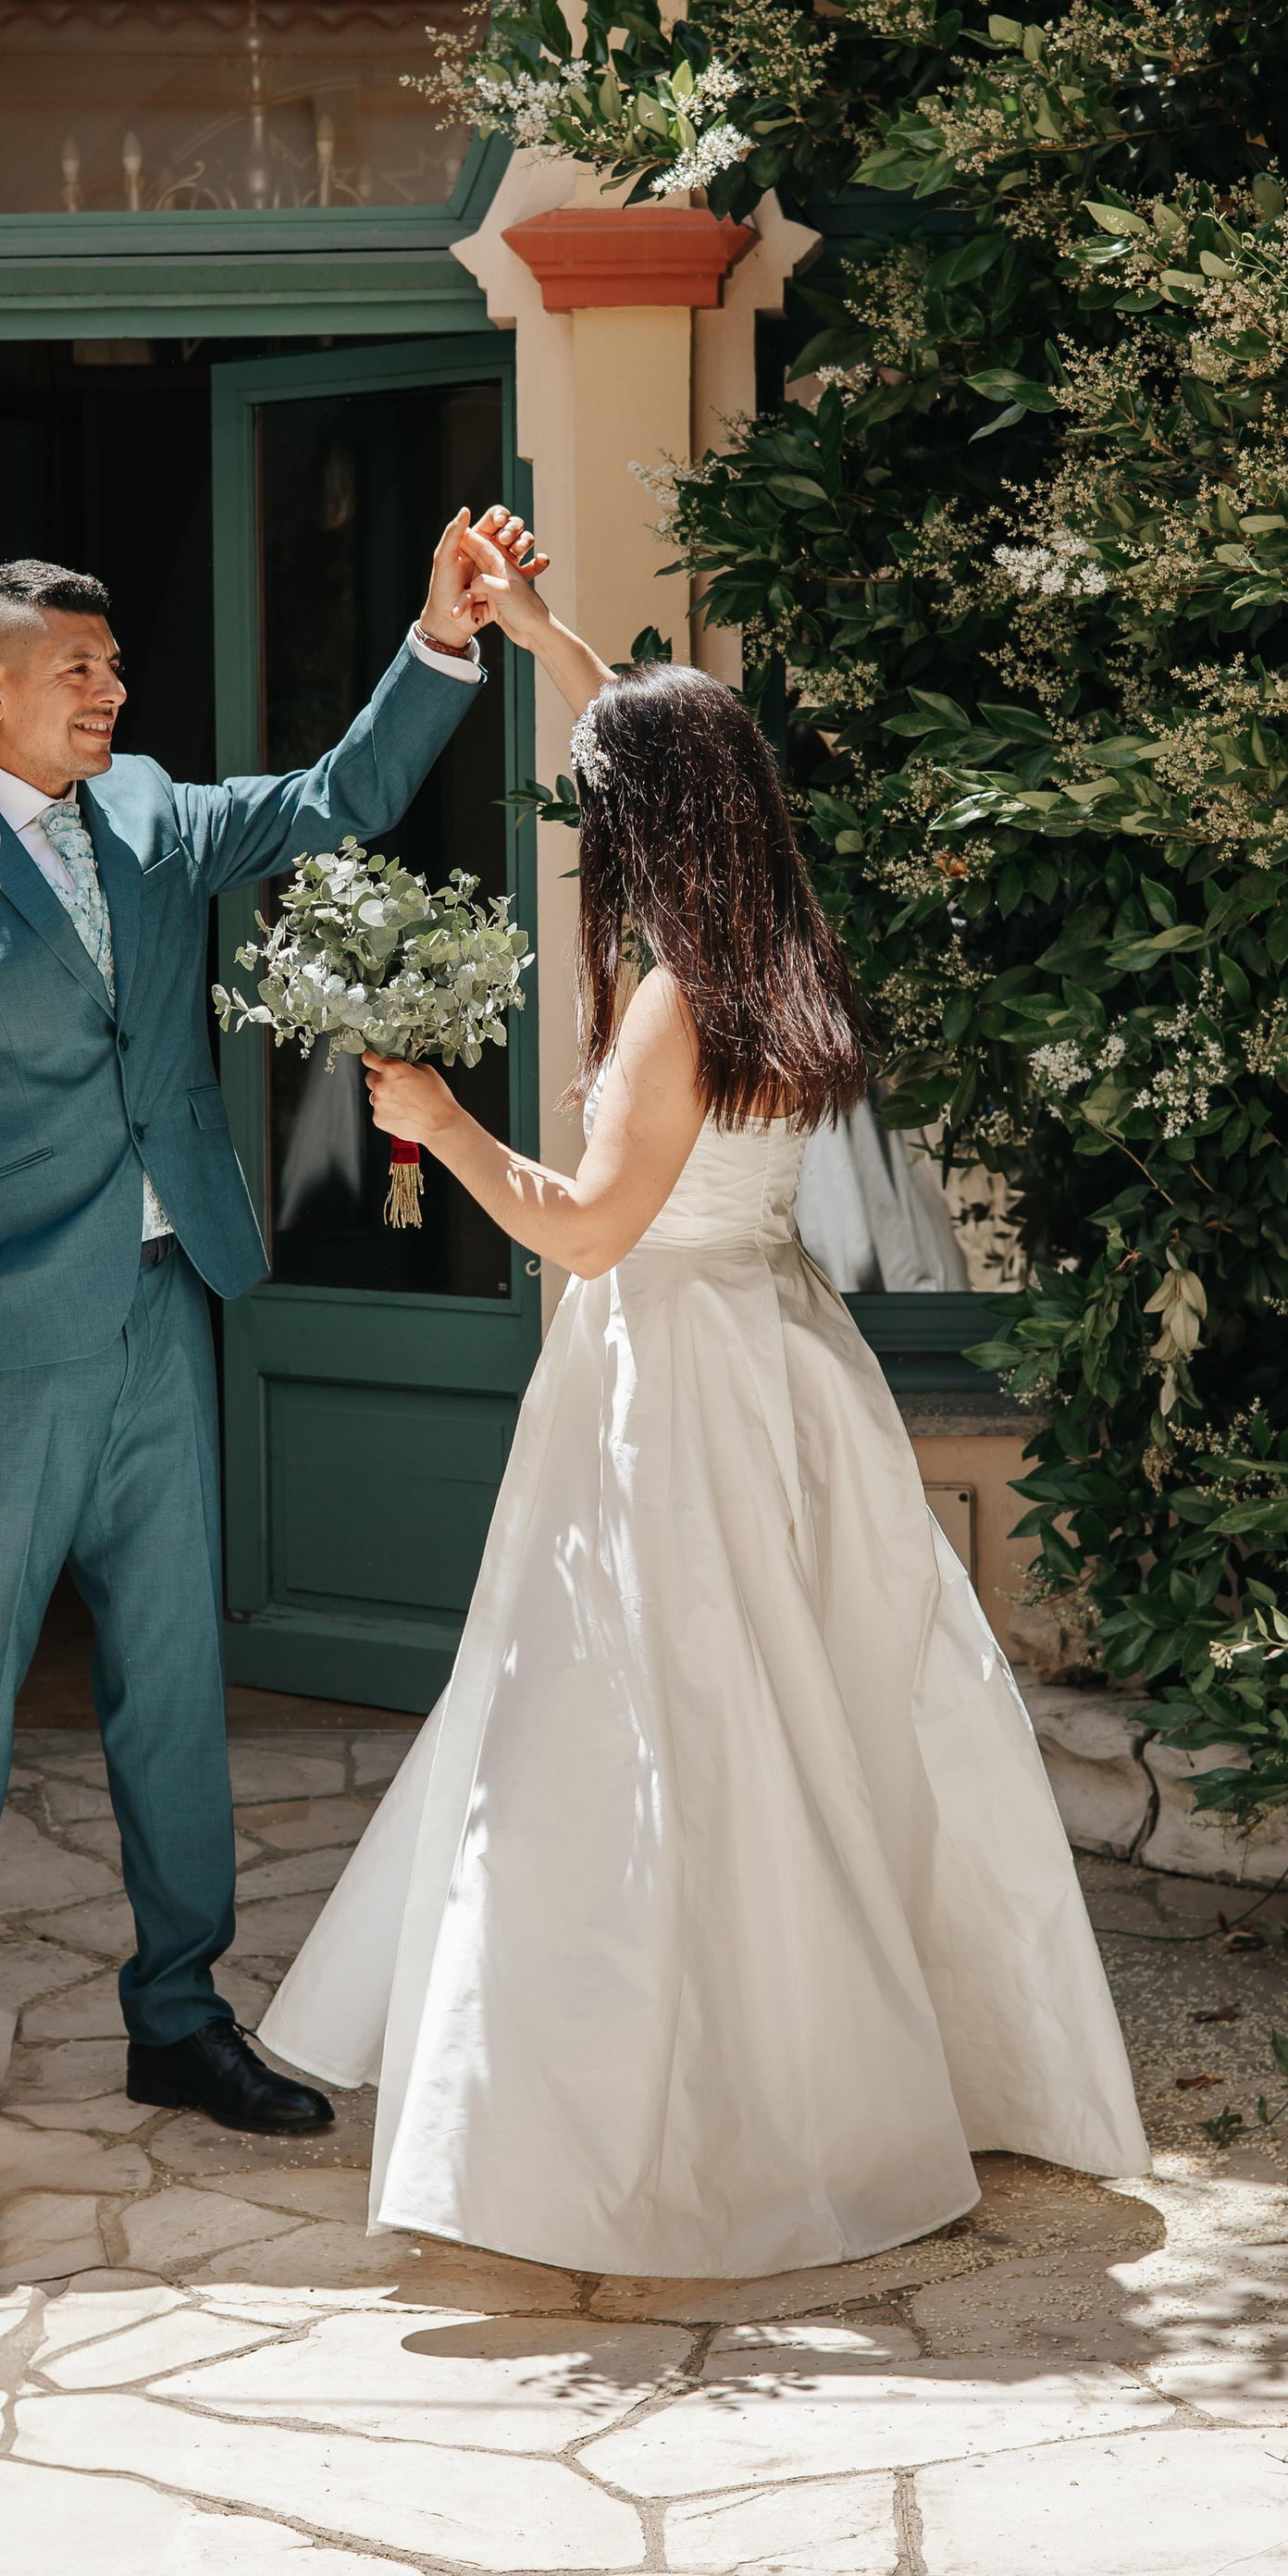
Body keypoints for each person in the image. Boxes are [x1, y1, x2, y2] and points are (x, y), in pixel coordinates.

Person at [259, 560, 1149, 2278]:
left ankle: (650, 2107)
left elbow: (588, 1230)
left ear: (651, 830)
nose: (589, 841)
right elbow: (646, 734)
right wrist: (543, 639)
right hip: (778, 1357)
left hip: (671, 1376)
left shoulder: (673, 1002)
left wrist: (441, 1122)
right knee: (799, 1705)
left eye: (603, 816)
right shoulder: (774, 948)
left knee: (655, 1724)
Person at [0, 507, 533, 2266]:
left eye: (116, 667)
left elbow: (334, 802)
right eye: (77, 670)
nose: (110, 692)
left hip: (159, 1312)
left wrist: (441, 636)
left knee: (171, 1690)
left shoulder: (150, 814)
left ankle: (178, 2018)